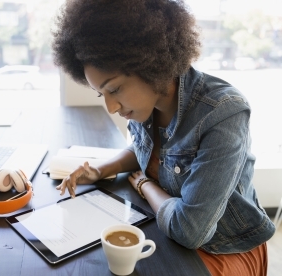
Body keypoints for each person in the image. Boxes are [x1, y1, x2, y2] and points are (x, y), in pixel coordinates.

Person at [51, 0, 276, 275]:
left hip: (223, 246)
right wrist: (100, 170)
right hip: (165, 224)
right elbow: (143, 149)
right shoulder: (146, 105)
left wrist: (145, 185)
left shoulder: (223, 113)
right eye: (102, 94)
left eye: (116, 89)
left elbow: (190, 231)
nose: (111, 107)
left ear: (150, 62)